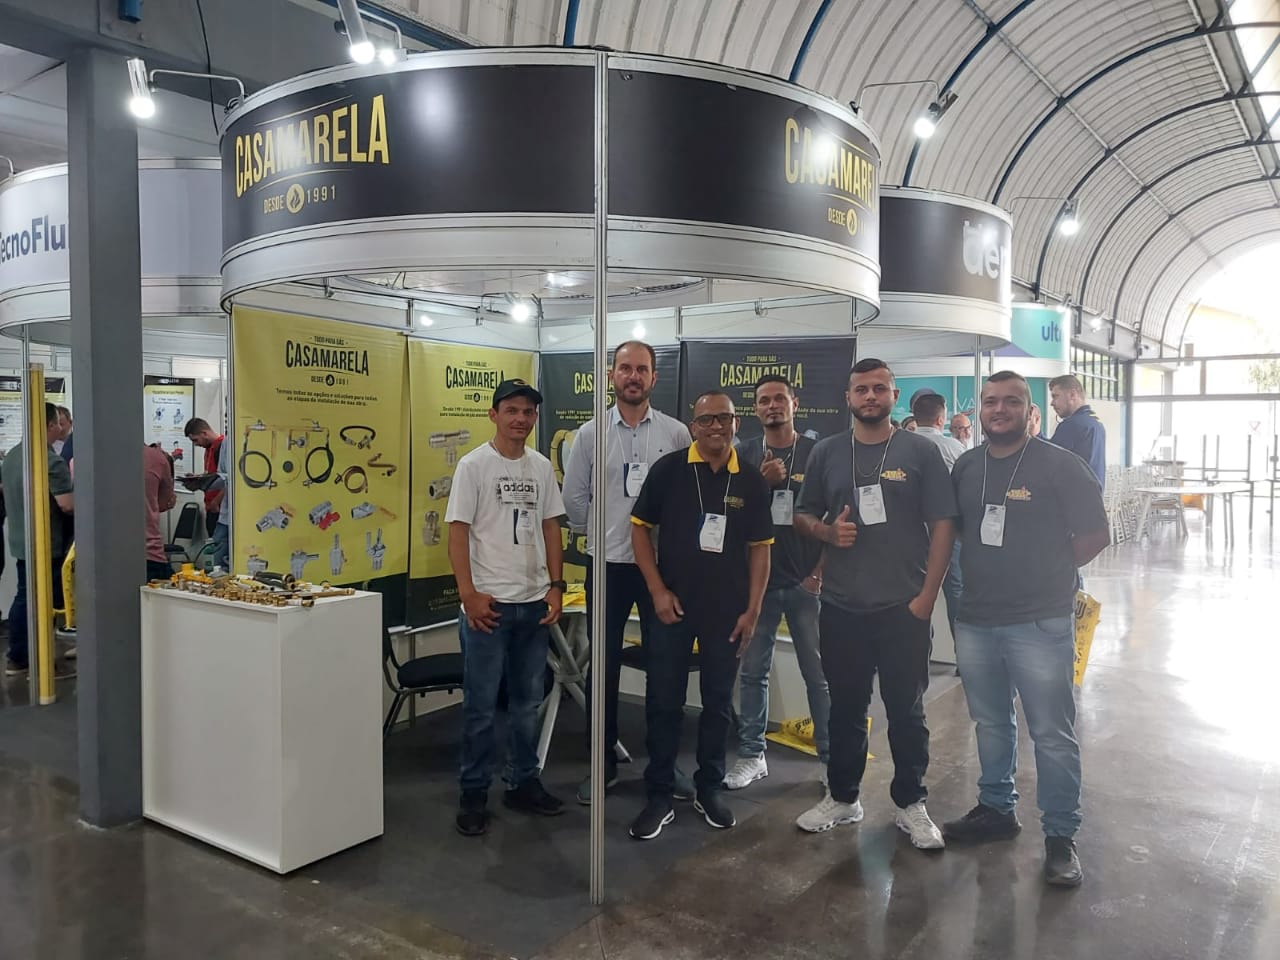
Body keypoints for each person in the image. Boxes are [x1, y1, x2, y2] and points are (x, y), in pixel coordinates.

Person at [943, 370, 1110, 887]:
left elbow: (1095, 534)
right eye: (991, 401)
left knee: (1052, 733)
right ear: (981, 409)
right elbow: (959, 532)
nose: (999, 410)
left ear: (1030, 410)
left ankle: (1060, 836)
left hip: (1040, 620)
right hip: (977, 618)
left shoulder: (1060, 465)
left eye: (1011, 401)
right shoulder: (967, 466)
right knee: (990, 722)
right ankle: (997, 808)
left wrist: (1050, 573)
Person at [792, 359, 956, 850]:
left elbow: (944, 524)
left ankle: (911, 803)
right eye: (861, 389)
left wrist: (927, 597)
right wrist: (826, 532)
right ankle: (843, 797)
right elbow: (802, 514)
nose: (869, 396)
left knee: (906, 711)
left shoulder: (921, 452)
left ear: (894, 395)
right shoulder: (827, 452)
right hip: (842, 607)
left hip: (904, 607)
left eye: (879, 388)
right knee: (845, 708)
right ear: (848, 397)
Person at [628, 391, 773, 839]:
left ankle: (709, 789)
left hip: (727, 612)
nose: (716, 427)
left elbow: (761, 550)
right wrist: (656, 591)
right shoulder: (669, 470)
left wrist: (753, 611)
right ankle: (659, 794)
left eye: (724, 418)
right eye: (706, 419)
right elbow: (639, 531)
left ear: (735, 424)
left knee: (717, 704)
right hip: (672, 607)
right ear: (693, 427)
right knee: (663, 702)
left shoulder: (750, 479)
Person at [561, 341, 693, 804]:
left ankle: (664, 767)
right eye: (625, 368)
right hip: (608, 568)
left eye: (641, 369)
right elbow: (574, 499)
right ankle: (601, 765)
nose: (633, 376)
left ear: (654, 377)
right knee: (604, 668)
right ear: (611, 376)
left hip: (661, 570)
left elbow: (688, 498)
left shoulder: (677, 434)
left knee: (666, 668)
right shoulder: (590, 434)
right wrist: (602, 533)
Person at [446, 379, 568, 837]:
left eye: (528, 412)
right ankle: (473, 794)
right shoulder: (473, 466)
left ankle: (523, 782)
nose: (521, 419)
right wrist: (468, 594)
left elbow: (551, 527)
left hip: (533, 605)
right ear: (494, 414)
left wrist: (555, 586)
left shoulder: (540, 467)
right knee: (480, 708)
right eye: (512, 410)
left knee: (526, 705)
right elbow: (458, 532)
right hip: (489, 607)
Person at [725, 375, 830, 790]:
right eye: (764, 400)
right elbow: (729, 515)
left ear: (794, 403)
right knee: (753, 672)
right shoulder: (744, 454)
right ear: (755, 409)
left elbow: (834, 514)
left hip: (806, 583)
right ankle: (753, 754)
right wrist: (760, 483)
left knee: (818, 675)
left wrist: (818, 574)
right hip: (760, 585)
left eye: (779, 399)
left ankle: (830, 758)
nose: (772, 406)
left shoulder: (817, 453)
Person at [3, 403, 74, 676]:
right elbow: (67, 505)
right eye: (58, 424)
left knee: (25, 596)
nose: (61, 429)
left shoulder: (13, 456)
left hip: (21, 541)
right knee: (42, 602)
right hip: (47, 544)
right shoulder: (49, 461)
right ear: (49, 425)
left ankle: (21, 655)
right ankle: (26, 657)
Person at [912, 390, 967, 635]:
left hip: (911, 531)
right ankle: (960, 645)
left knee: (912, 588)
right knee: (955, 589)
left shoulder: (901, 446)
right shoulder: (955, 448)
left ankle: (919, 642)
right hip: (949, 530)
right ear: (940, 419)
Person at [1047, 375, 1105, 487]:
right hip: (1093, 494)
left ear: (1072, 395)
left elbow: (1048, 460)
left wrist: (1035, 435)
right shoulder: (1096, 424)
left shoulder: (1072, 425)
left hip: (1071, 495)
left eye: (1055, 396)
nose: (1052, 403)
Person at [183, 417, 226, 535]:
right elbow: (213, 474)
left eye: (195, 440)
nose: (196, 444)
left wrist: (216, 502)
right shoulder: (208, 449)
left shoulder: (222, 447)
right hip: (210, 506)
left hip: (219, 509)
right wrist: (198, 479)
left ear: (204, 433)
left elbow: (230, 480)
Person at [144, 444, 177, 582]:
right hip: (149, 552)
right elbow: (164, 503)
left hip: (103, 552)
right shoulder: (156, 458)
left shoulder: (89, 455)